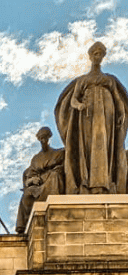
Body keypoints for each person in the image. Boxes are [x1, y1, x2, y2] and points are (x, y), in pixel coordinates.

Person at [55, 41, 128, 195]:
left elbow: (117, 98)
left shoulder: (109, 79)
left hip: (107, 112)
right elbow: (74, 99)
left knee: (104, 144)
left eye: (100, 54)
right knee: (88, 146)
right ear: (90, 56)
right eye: (95, 54)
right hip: (87, 114)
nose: (98, 57)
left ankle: (106, 182)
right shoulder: (83, 80)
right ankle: (86, 182)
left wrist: (121, 112)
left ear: (103, 57)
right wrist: (79, 106)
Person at [15, 127, 64, 232]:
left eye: (45, 138)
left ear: (48, 138)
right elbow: (30, 174)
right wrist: (33, 180)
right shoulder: (36, 158)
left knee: (54, 176)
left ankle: (54, 207)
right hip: (39, 183)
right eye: (41, 138)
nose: (43, 141)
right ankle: (21, 227)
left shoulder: (58, 153)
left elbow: (64, 166)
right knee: (26, 196)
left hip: (52, 178)